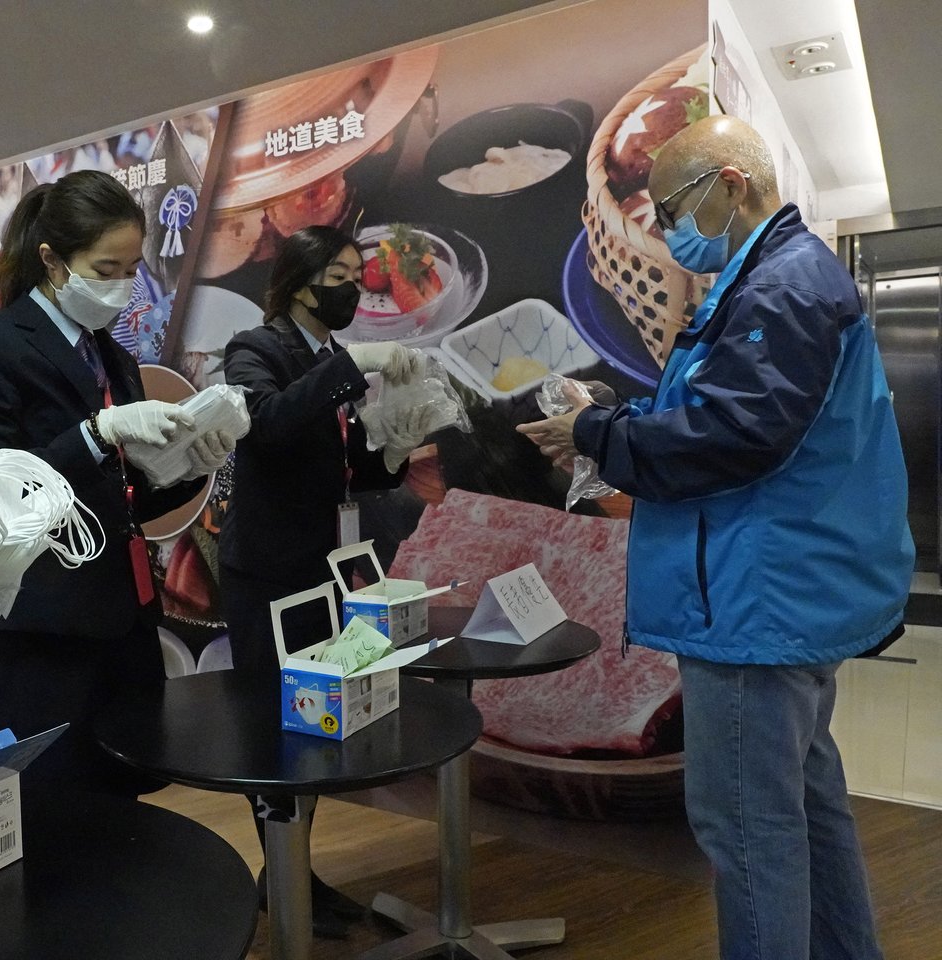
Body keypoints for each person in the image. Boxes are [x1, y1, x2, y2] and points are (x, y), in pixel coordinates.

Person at [518, 116, 912, 960]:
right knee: (807, 806)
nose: (666, 234)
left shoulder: (780, 289)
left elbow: (731, 438)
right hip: (785, 592)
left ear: (731, 185)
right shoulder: (775, 278)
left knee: (747, 829)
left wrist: (595, 435)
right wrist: (612, 422)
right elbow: (723, 414)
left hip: (753, 603)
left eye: (670, 211)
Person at [0, 170, 233, 796]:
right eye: (105, 269)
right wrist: (96, 432)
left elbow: (125, 497)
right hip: (46, 624)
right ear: (52, 259)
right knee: (56, 800)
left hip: (127, 615)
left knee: (136, 788)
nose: (121, 285)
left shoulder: (113, 356)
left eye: (131, 269)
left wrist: (188, 468)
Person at [220, 225, 429, 938]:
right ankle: (281, 877)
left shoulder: (330, 356)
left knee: (313, 723)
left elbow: (346, 467)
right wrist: (350, 366)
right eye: (338, 275)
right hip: (266, 571)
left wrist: (394, 450)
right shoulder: (255, 349)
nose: (353, 288)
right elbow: (266, 425)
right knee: (270, 726)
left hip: (324, 570)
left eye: (355, 274)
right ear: (300, 281)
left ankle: (293, 874)